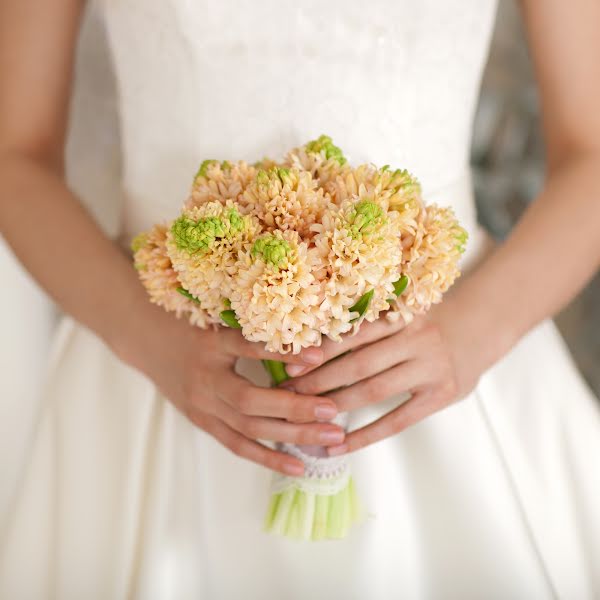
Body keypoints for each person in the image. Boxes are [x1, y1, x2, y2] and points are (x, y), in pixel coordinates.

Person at [1, 0, 599, 598]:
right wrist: (145, 333)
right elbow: (15, 155)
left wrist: (474, 332)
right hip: (157, 365)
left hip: (450, 363)